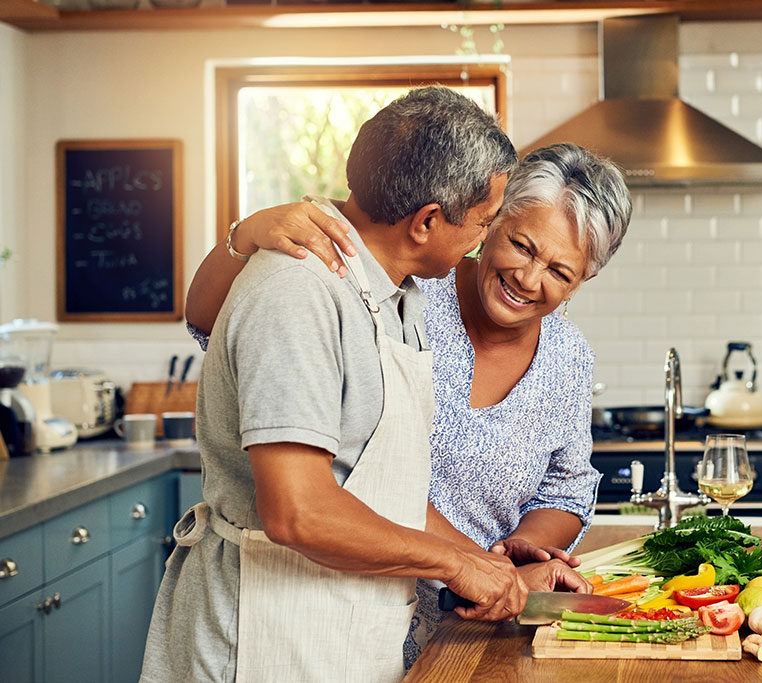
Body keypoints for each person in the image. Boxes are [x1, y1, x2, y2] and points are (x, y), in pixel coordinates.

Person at [186, 142, 633, 668]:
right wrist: (246, 235)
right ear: (490, 221)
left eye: (561, 272)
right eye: (522, 245)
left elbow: (567, 485)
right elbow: (214, 318)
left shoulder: (569, 355)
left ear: (585, 280)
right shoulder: (407, 289)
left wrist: (505, 562)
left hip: (478, 611)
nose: (529, 279)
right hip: (340, 596)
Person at [140, 86, 534, 683]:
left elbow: (378, 488)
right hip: (262, 638)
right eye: (480, 225)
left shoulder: (398, 296)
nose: (480, 245)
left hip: (339, 630)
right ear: (427, 221)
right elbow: (299, 512)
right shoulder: (297, 291)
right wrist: (452, 566)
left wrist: (489, 564)